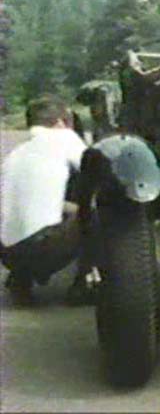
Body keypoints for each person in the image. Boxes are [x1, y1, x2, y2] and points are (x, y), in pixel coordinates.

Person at [0, 96, 93, 305]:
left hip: (8, 255)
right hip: (44, 248)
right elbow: (96, 170)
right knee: (101, 211)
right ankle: (82, 286)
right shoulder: (64, 137)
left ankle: (21, 279)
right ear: (62, 121)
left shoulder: (16, 153)